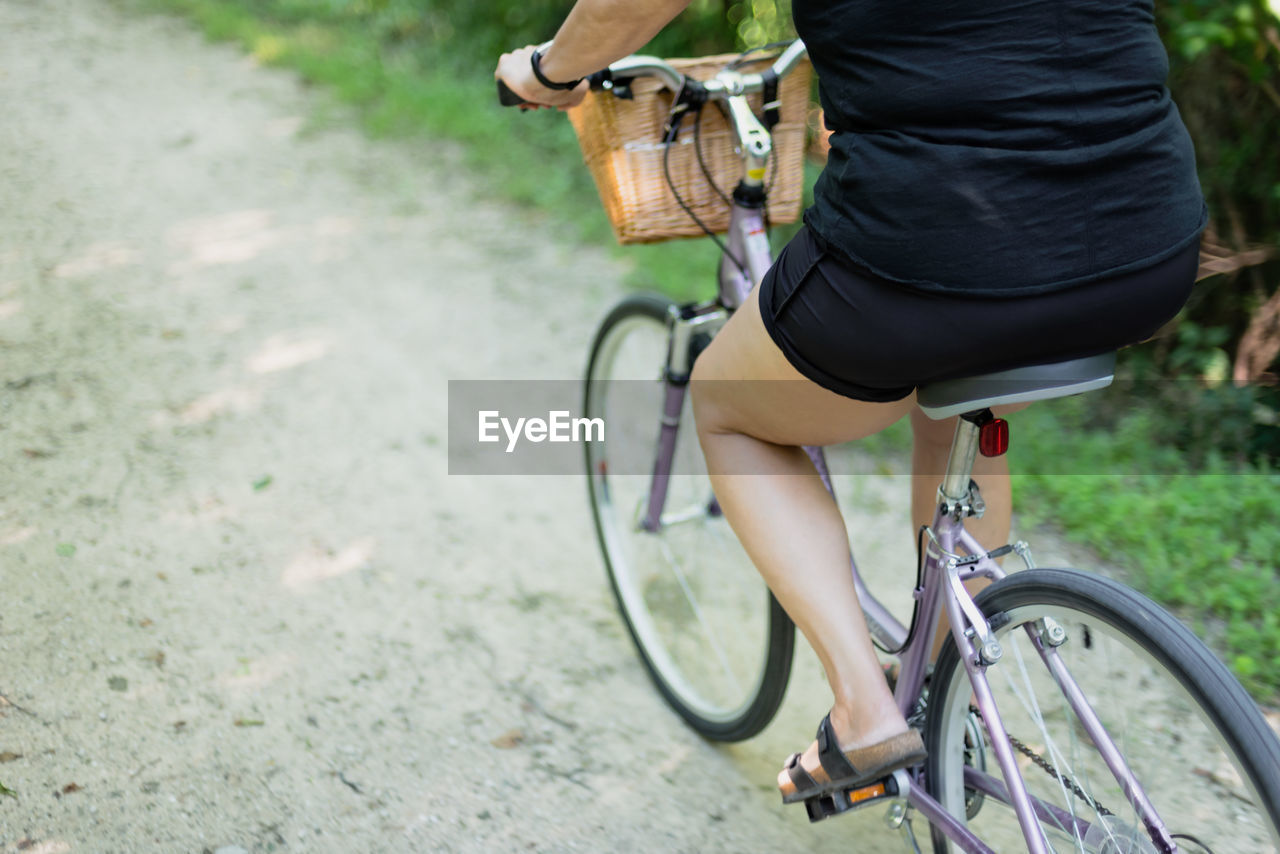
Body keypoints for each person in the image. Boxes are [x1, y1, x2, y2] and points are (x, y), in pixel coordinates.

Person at [496, 0, 1205, 806]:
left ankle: (864, 712)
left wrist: (550, 69)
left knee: (729, 407)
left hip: (936, 259)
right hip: (1148, 241)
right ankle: (949, 709)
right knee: (956, 411)